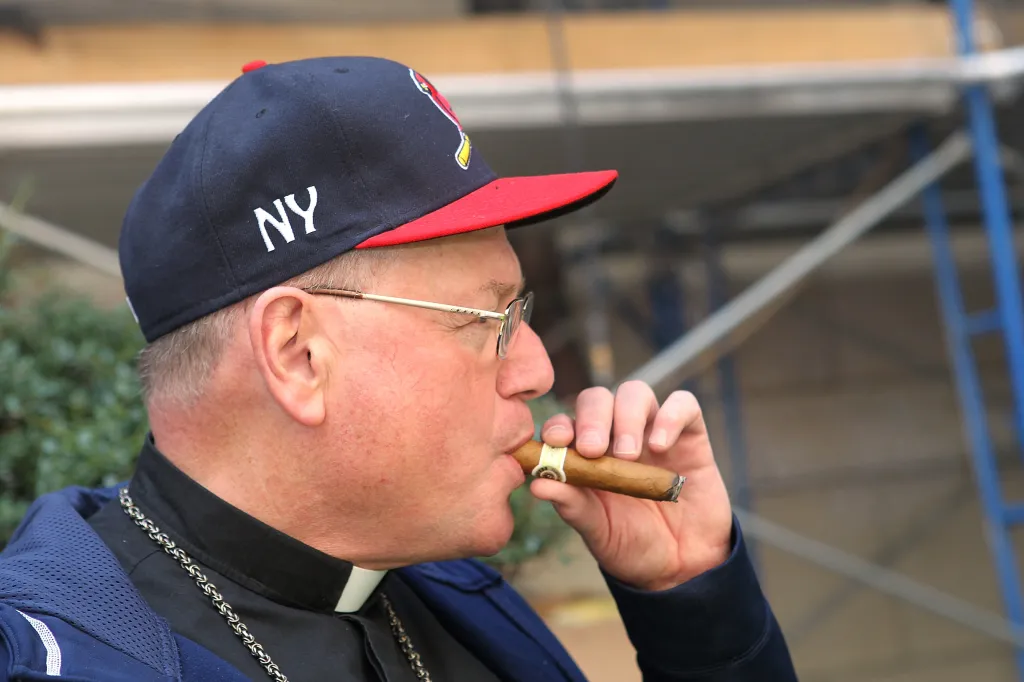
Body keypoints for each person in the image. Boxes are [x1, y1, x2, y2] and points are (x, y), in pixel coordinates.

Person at [0, 55, 798, 682]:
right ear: (297, 353)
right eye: (488, 319)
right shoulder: (55, 658)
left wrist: (694, 607)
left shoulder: (457, 603)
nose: (533, 369)